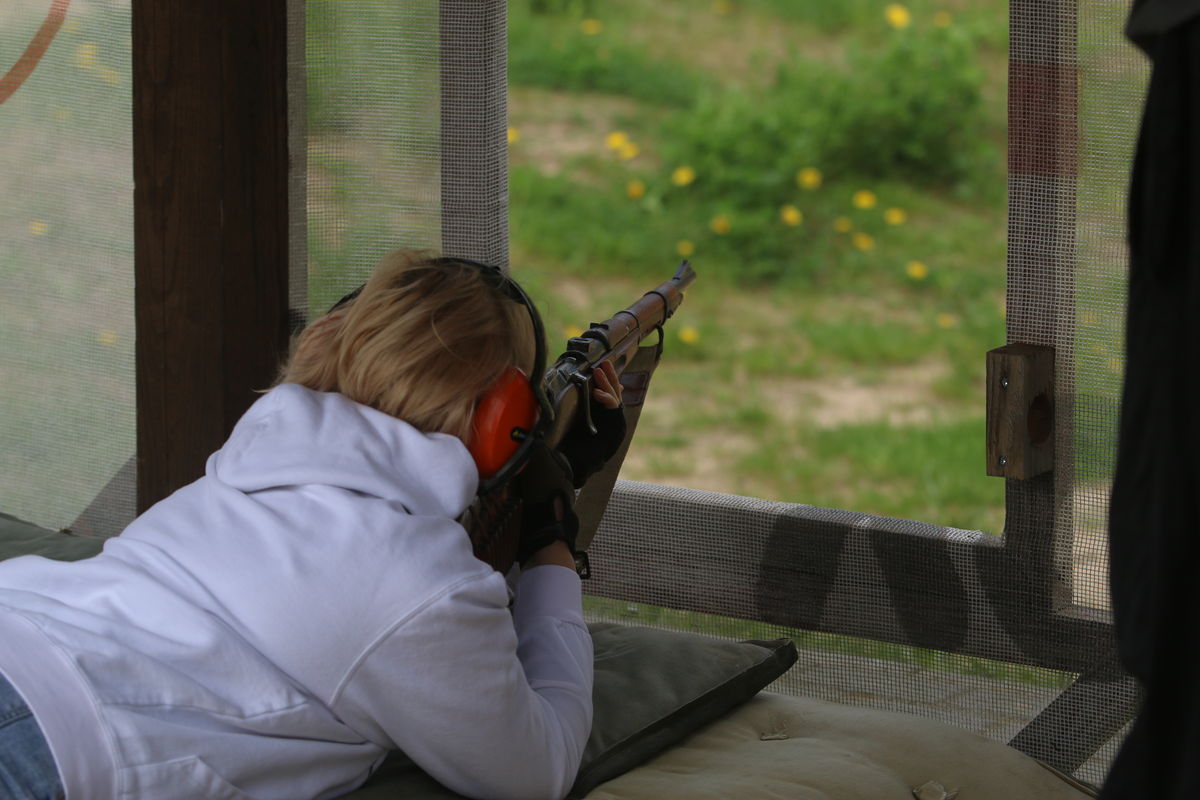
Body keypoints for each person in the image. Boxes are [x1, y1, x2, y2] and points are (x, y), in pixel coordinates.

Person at [0, 250, 624, 800]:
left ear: (325, 339)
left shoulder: (238, 467)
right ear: (502, 425)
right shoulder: (422, 590)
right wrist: (551, 545)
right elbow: (538, 768)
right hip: (61, 735)